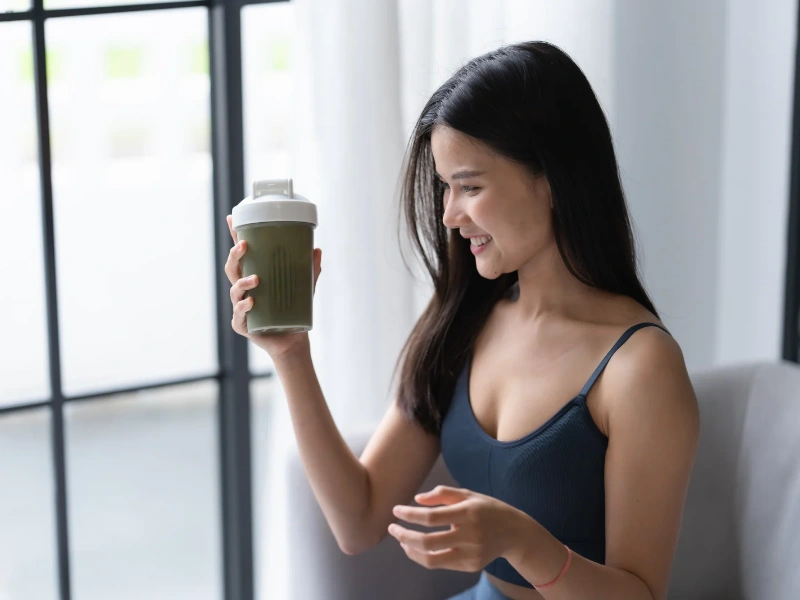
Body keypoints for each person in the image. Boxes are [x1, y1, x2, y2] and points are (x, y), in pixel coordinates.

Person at [225, 41, 699, 600]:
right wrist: (290, 353)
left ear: (551, 178)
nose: (450, 215)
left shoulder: (640, 368)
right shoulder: (467, 318)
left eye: (470, 186)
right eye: (445, 188)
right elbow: (358, 520)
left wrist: (520, 540)